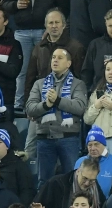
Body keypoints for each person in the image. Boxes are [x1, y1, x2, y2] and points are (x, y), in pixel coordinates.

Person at [24, 48, 87, 183]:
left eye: (60, 58)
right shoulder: (39, 84)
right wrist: (46, 105)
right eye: (53, 57)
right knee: (44, 181)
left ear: (68, 63)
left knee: (73, 179)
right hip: (44, 139)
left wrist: (58, 101)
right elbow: (29, 108)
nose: (55, 60)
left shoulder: (78, 84)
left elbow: (80, 107)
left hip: (68, 139)